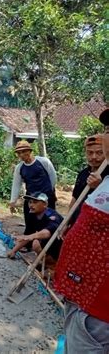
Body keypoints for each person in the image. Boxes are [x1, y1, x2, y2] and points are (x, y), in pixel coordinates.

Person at [54, 109, 109, 352]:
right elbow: (78, 202)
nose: (107, 138)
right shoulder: (94, 178)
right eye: (108, 131)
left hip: (97, 309)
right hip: (79, 295)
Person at [9, 140, 57, 235]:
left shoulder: (43, 162)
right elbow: (16, 184)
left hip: (46, 197)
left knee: (49, 220)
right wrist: (12, 201)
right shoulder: (20, 168)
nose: (22, 155)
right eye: (19, 153)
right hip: (31, 197)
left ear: (30, 151)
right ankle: (28, 243)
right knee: (30, 220)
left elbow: (53, 177)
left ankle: (48, 243)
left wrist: (50, 192)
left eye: (24, 151)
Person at [6, 193, 63, 267]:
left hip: (61, 243)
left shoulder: (52, 216)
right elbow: (27, 236)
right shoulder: (32, 215)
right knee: (35, 241)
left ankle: (53, 265)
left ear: (45, 204)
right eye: (30, 202)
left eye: (35, 202)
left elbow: (48, 232)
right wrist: (14, 251)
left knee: (36, 242)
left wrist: (31, 236)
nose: (31, 205)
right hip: (49, 242)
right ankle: (47, 262)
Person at [68, 134, 109, 223]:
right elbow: (75, 199)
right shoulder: (82, 174)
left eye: (99, 152)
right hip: (78, 222)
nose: (94, 157)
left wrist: (99, 187)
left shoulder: (107, 176)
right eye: (90, 152)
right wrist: (67, 222)